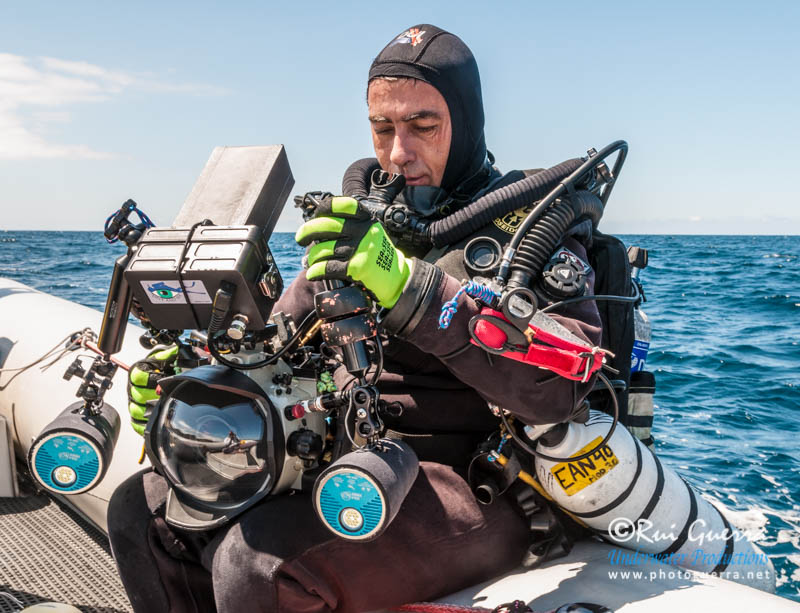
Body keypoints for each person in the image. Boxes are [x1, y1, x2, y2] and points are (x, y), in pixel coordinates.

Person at [108, 24, 603, 613]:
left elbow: (564, 389)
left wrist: (415, 292)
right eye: (382, 127)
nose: (398, 152)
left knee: (259, 561)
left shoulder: (529, 233)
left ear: (465, 122)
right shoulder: (365, 223)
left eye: (423, 126)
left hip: (473, 484)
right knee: (141, 509)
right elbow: (278, 344)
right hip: (344, 455)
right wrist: (191, 386)